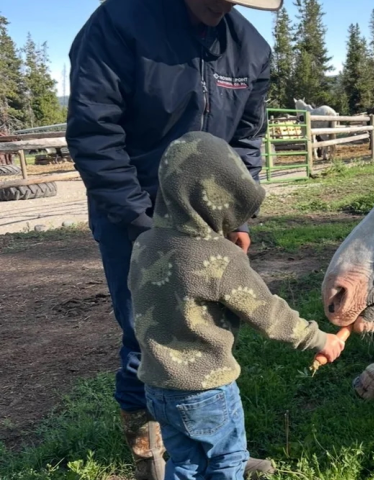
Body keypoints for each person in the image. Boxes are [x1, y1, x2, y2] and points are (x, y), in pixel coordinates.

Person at [66, 0, 284, 477]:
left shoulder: (250, 49)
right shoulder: (120, 23)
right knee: (146, 333)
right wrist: (146, 228)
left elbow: (246, 142)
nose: (221, 6)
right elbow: (94, 131)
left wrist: (237, 219)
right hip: (133, 215)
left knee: (207, 329)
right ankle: (150, 457)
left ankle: (211, 443)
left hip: (210, 224)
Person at [129, 131, 346, 479]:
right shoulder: (219, 257)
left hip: (158, 386)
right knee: (226, 460)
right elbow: (269, 314)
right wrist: (321, 339)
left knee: (184, 463)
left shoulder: (144, 244)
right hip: (206, 390)